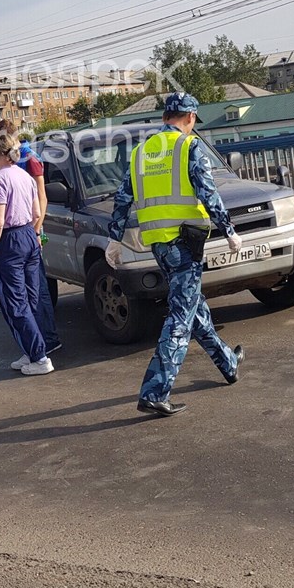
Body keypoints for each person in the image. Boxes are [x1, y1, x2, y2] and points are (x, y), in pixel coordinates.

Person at [107, 92, 245, 417]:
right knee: (181, 316)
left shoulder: (142, 151)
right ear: (190, 118)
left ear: (166, 115)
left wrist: (114, 239)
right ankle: (155, 391)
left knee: (192, 306)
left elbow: (123, 197)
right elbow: (207, 192)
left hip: (158, 244)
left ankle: (227, 362)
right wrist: (228, 229)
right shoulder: (188, 145)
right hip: (185, 243)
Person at [0, 120, 62, 358]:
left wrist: (35, 231)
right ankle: (39, 345)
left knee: (26, 296)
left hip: (19, 234)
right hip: (26, 229)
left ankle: (43, 345)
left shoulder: (28, 160)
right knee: (31, 292)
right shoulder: (19, 168)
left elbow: (40, 198)